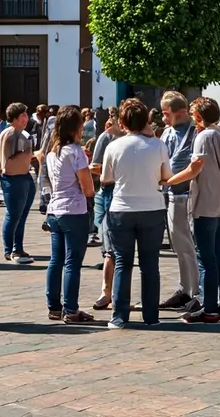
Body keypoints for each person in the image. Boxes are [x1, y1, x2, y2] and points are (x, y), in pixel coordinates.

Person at [100, 99, 172, 329]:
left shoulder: (114, 146)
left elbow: (105, 178)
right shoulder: (158, 145)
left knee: (123, 262)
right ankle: (151, 316)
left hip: (121, 208)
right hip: (152, 206)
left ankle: (119, 316)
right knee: (150, 264)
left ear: (122, 123)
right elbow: (166, 176)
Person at [164, 97, 220, 323]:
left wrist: (169, 180)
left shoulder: (204, 136)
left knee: (206, 258)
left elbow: (195, 167)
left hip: (206, 199)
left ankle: (208, 307)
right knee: (219, 255)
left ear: (198, 116)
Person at [38, 105, 95, 323]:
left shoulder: (54, 152)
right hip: (74, 209)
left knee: (56, 260)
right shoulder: (75, 151)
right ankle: (71, 309)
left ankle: (54, 306)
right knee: (72, 261)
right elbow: (87, 187)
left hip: (55, 209)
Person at [158, 91, 201, 314]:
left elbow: (183, 165)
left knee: (186, 245)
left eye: (167, 114)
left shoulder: (194, 134)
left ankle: (194, 293)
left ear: (181, 112)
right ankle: (185, 289)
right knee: (178, 245)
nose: (164, 119)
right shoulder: (167, 133)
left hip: (185, 195)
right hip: (169, 194)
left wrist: (167, 177)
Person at [0, 103, 36, 264]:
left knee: (21, 216)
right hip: (14, 179)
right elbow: (7, 161)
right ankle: (11, 249)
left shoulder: (19, 133)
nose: (26, 118)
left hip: (23, 177)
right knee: (14, 216)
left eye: (26, 115)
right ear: (15, 118)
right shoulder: (12, 133)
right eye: (23, 116)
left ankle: (17, 246)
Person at [89, 117, 121, 310]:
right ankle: (106, 292)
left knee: (119, 251)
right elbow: (95, 166)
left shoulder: (145, 139)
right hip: (108, 191)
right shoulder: (107, 138)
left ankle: (117, 295)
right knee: (110, 249)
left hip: (127, 195)